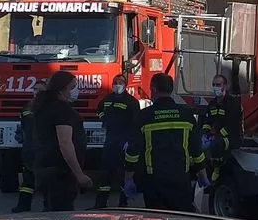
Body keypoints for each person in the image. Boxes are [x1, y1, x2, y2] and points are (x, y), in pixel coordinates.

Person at [123, 73, 209, 212]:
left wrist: (128, 178)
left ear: (153, 89)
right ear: (171, 89)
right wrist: (202, 174)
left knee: (156, 219)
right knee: (180, 219)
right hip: (181, 179)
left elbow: (133, 152)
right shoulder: (186, 115)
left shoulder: (144, 116)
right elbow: (196, 150)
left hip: (154, 181)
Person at [33, 71, 92, 211]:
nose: (76, 90)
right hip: (60, 171)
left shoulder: (43, 107)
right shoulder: (62, 110)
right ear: (62, 88)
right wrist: (79, 174)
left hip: (45, 165)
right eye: (73, 87)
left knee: (51, 208)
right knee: (62, 212)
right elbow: (65, 143)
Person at [90, 74, 140, 209]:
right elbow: (99, 110)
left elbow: (135, 122)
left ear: (125, 85)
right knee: (105, 172)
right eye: (115, 82)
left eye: (120, 82)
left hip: (124, 140)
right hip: (110, 140)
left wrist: (131, 141)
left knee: (122, 173)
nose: (117, 84)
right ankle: (100, 203)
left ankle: (123, 203)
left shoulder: (131, 102)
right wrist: (104, 119)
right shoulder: (107, 99)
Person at [12, 79, 47, 213]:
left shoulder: (50, 107)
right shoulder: (27, 107)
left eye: (40, 90)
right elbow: (23, 127)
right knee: (27, 180)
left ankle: (48, 206)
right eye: (35, 89)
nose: (37, 92)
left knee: (46, 179)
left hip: (45, 148)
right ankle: (23, 206)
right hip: (30, 148)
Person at [201, 74, 242, 183]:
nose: (216, 87)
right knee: (201, 142)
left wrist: (217, 135)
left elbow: (232, 125)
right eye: (214, 85)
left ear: (225, 86)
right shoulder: (212, 104)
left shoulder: (232, 103)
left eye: (218, 85)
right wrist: (205, 133)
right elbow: (207, 121)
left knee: (217, 143)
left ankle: (217, 167)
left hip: (231, 137)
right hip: (215, 135)